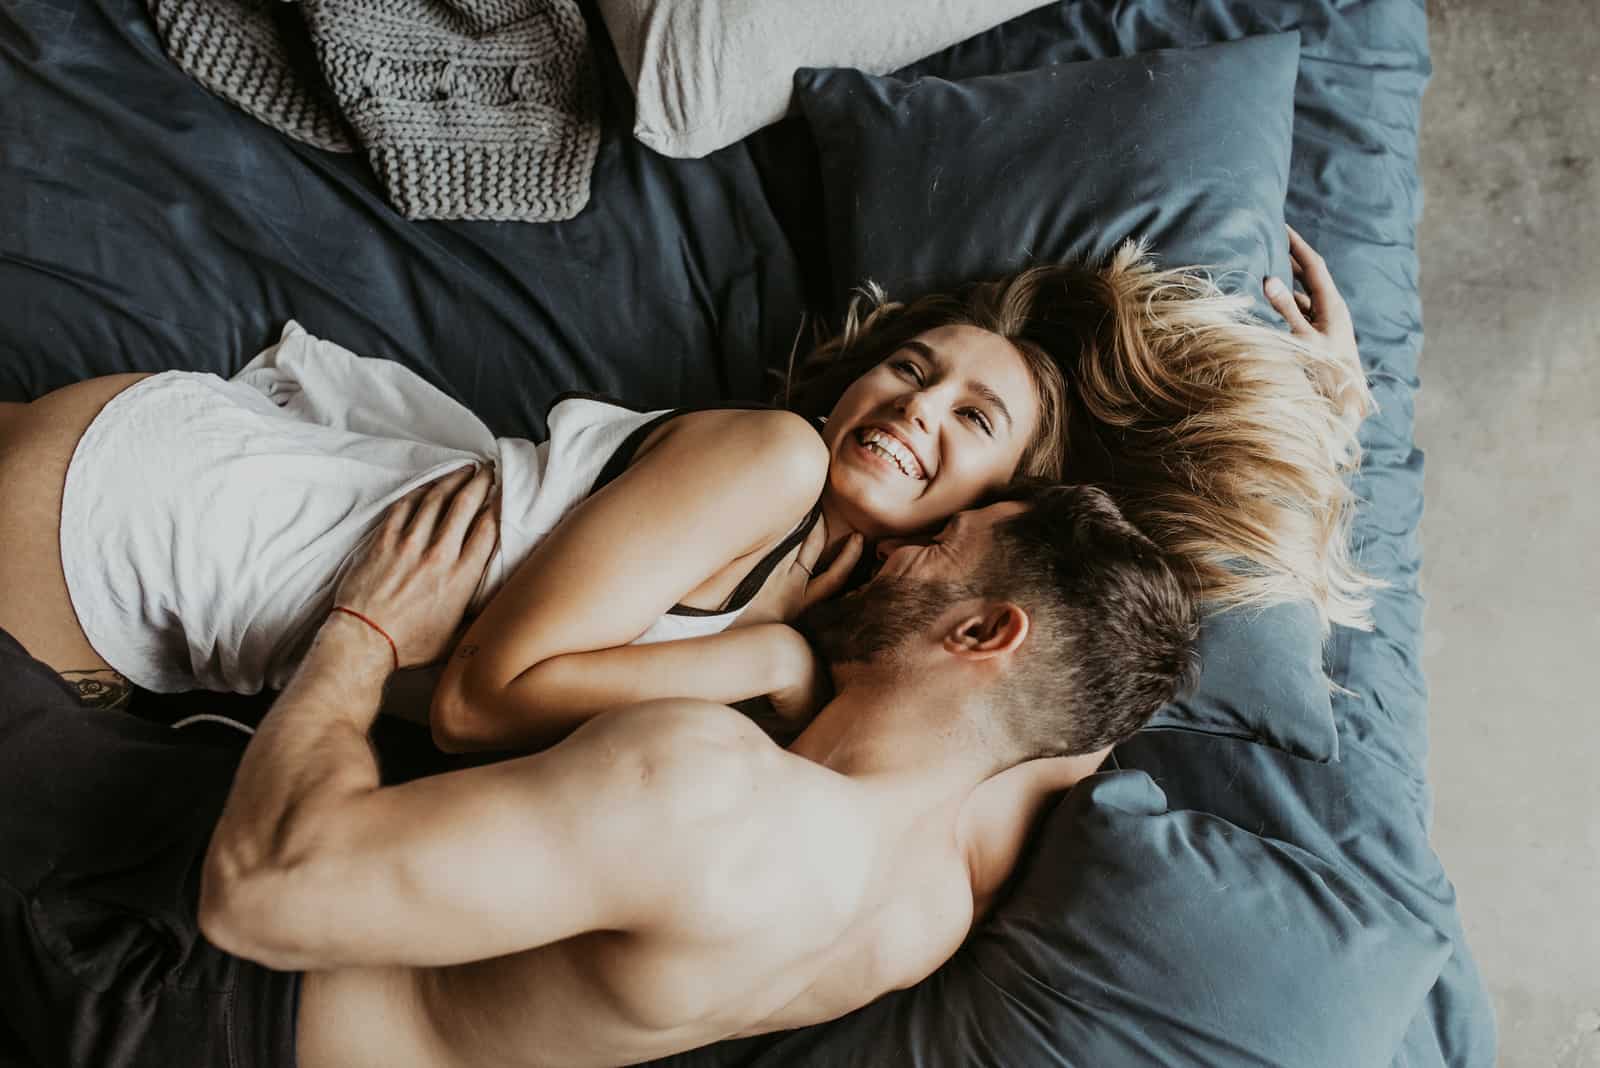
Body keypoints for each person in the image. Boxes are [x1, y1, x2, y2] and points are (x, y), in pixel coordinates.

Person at [0, 468, 1197, 1068]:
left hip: (180, 977)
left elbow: (259, 894)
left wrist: (364, 635)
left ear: (984, 637)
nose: (896, 549)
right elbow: (1106, 682)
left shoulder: (713, 788)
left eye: (939, 546)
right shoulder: (938, 896)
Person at [0, 227, 1361, 750]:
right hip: (130, 533)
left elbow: (1105, 669)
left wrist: (1333, 426)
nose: (910, 404)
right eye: (907, 365)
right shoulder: (767, 465)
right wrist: (760, 660)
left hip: (169, 565)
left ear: (995, 508)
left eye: (970, 417)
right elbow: (478, 696)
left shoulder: (848, 602)